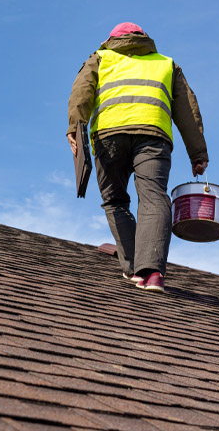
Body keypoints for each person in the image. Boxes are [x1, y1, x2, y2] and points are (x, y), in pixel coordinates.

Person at [67, 22, 209, 292]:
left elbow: (81, 93)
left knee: (115, 201)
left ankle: (133, 267)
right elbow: (188, 111)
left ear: (111, 39)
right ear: (144, 39)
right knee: (154, 197)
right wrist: (197, 154)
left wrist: (74, 128)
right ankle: (152, 273)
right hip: (153, 137)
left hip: (109, 137)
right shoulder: (166, 64)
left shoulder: (100, 57)